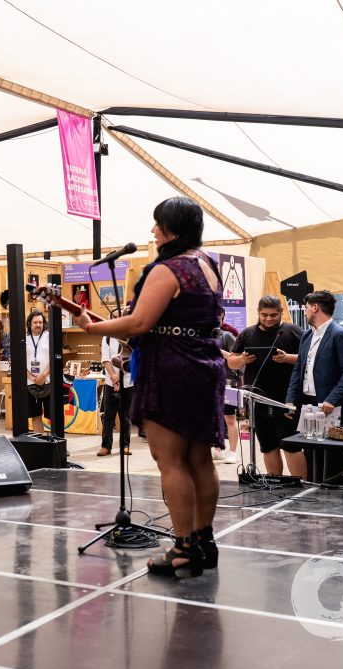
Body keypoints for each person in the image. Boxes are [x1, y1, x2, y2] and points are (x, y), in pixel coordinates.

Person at [73, 197, 225, 579]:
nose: (153, 231)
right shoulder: (207, 265)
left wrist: (92, 327)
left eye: (158, 224)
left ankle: (183, 549)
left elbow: (140, 324)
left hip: (172, 367)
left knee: (170, 461)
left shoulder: (167, 269)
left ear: (173, 228)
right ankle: (204, 543)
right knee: (200, 459)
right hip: (204, 364)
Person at [228, 295, 304, 478]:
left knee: (291, 446)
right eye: (264, 315)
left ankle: (302, 485)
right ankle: (274, 483)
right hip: (258, 402)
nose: (268, 319)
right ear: (258, 312)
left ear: (281, 312)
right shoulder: (247, 334)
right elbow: (231, 362)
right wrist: (242, 359)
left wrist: (288, 358)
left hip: (287, 401)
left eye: (273, 315)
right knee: (268, 446)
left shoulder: (293, 332)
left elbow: (310, 359)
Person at [286, 290, 343, 433]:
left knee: (332, 447)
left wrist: (332, 399)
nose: (305, 312)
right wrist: (290, 400)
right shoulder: (307, 335)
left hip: (330, 406)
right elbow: (298, 370)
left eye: (306, 307)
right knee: (308, 446)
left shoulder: (341, 335)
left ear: (315, 308)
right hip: (306, 405)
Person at [99, 309, 133, 456]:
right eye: (114, 317)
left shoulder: (132, 337)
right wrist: (113, 376)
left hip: (127, 382)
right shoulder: (106, 337)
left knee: (125, 417)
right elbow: (105, 358)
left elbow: (132, 359)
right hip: (110, 381)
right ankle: (106, 446)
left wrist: (118, 376)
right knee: (108, 416)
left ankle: (125, 446)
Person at [214, 309, 241, 464]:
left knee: (230, 418)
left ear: (222, 316)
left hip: (227, 382)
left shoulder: (227, 336)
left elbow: (237, 359)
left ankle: (233, 452)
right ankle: (217, 449)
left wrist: (220, 351)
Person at [25, 310, 52, 436]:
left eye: (40, 322)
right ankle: (40, 442)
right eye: (35, 322)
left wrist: (43, 375)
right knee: (35, 416)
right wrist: (32, 377)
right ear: (30, 324)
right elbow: (19, 361)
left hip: (48, 381)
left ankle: (55, 442)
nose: (38, 325)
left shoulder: (49, 337)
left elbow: (54, 358)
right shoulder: (24, 339)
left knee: (53, 415)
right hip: (30, 383)